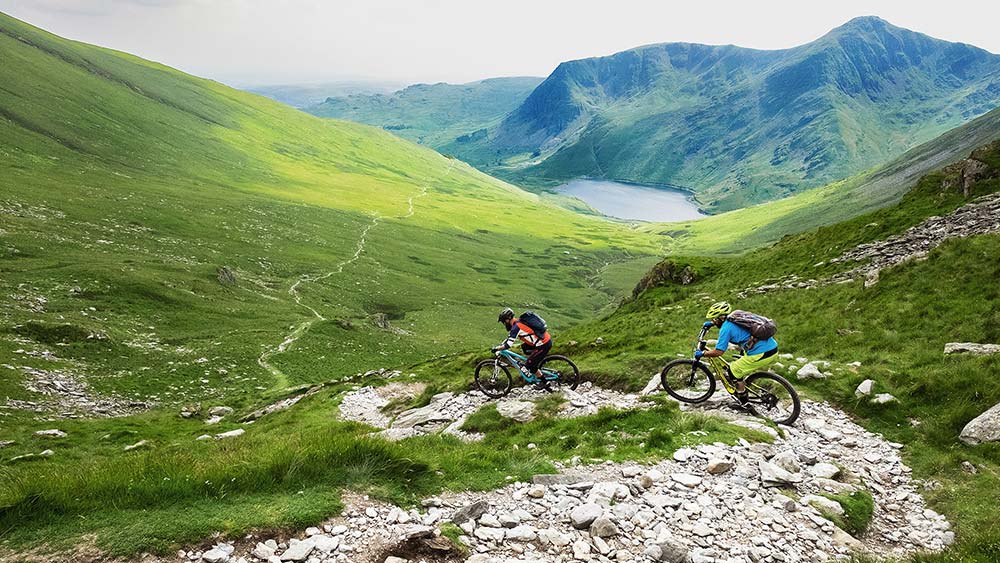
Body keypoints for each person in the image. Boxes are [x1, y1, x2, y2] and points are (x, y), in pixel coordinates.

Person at [696, 301, 778, 405]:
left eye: (714, 319)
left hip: (761, 353)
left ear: (721, 318)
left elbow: (719, 352)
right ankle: (742, 383)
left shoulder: (725, 329)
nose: (713, 321)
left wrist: (703, 353)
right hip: (772, 347)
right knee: (738, 366)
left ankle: (744, 403)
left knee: (733, 372)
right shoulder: (735, 316)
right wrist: (712, 324)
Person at [492, 307, 553, 391]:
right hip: (543, 340)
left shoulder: (516, 327)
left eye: (503, 322)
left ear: (507, 320)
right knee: (524, 348)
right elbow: (510, 338)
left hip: (543, 344)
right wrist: (502, 345)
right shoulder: (518, 322)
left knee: (530, 365)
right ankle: (535, 366)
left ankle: (544, 382)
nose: (504, 324)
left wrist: (497, 348)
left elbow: (508, 344)